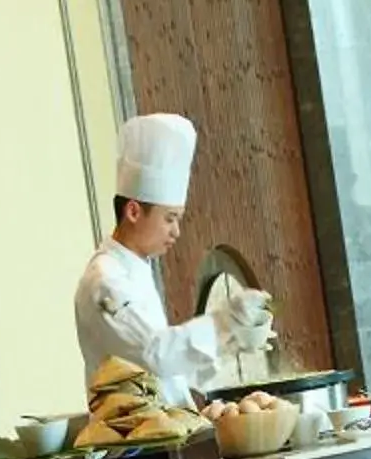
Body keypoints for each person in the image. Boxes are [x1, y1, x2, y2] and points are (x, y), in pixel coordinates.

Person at [74, 112, 268, 405]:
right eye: (170, 218)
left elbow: (171, 367)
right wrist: (222, 322)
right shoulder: (105, 280)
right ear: (134, 212)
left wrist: (233, 335)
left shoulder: (136, 269)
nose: (176, 231)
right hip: (135, 443)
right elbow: (154, 354)